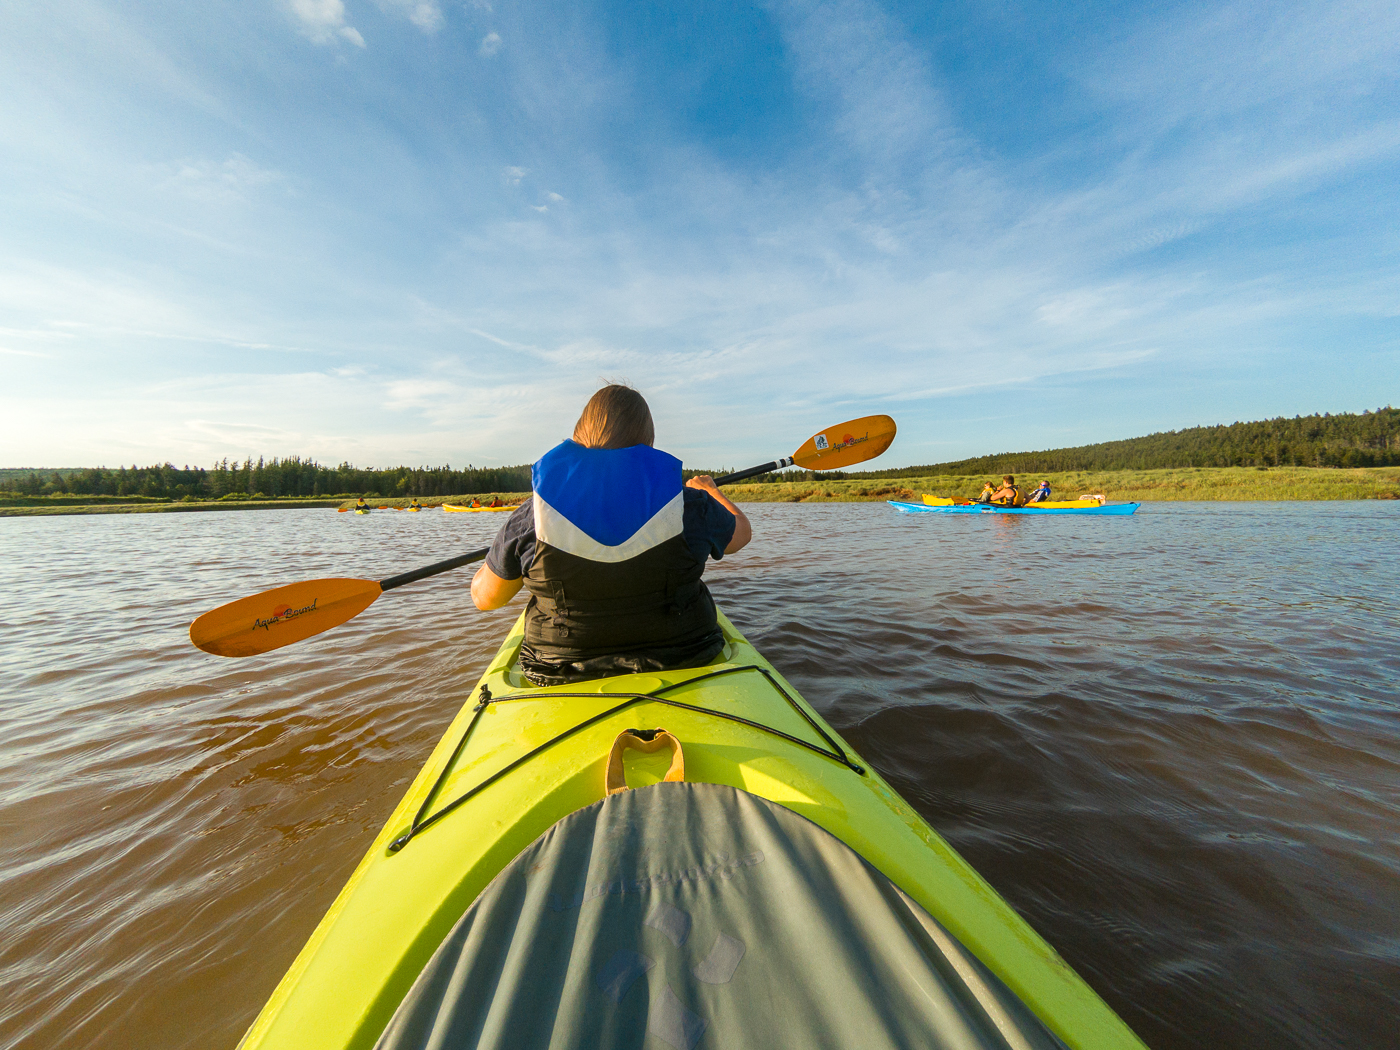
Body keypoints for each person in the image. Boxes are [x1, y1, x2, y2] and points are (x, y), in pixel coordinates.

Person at [471, 384, 752, 685]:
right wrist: (710, 491)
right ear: (647, 441)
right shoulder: (690, 505)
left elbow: (485, 600)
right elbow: (741, 534)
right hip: (686, 657)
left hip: (558, 669)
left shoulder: (534, 515)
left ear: (580, 435)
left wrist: (505, 556)